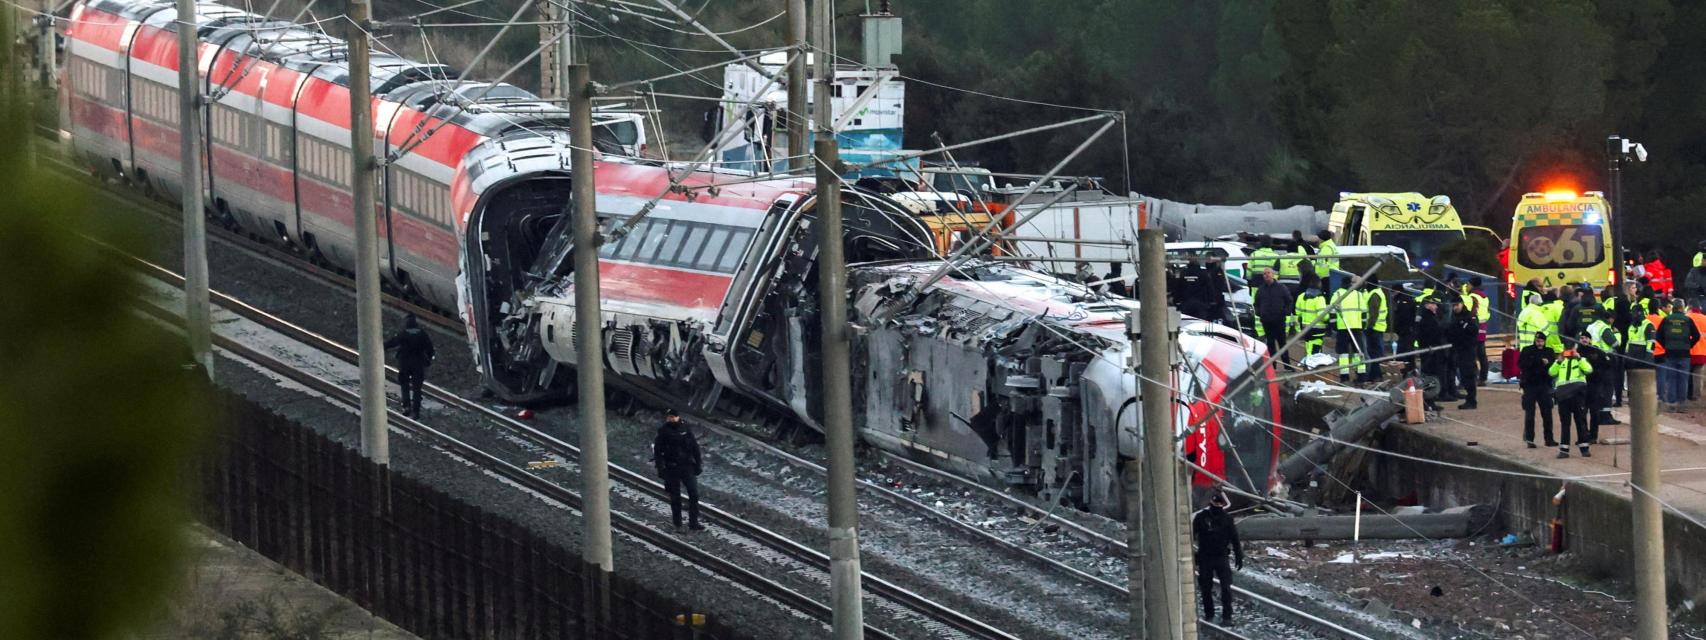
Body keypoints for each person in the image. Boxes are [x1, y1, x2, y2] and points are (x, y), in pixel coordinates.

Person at [1193, 492, 1244, 625]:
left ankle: (1227, 617)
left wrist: (1239, 556)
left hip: (1221, 557)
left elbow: (1234, 538)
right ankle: (1209, 614)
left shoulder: (1227, 519)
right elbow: (1191, 536)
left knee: (1226, 588)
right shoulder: (1201, 518)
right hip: (1205, 557)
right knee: (1206, 588)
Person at [652, 409, 705, 530]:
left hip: (687, 466)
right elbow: (658, 452)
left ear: (678, 417)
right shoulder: (663, 431)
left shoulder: (685, 429)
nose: (670, 419)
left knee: (694, 494)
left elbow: (694, 447)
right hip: (671, 467)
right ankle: (678, 524)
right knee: (675, 498)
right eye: (668, 417)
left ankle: (693, 522)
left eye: (672, 417)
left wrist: (698, 464)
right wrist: (661, 469)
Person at [384, 314, 435, 418]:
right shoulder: (422, 334)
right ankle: (416, 411)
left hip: (405, 363)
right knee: (417, 388)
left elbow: (393, 342)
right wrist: (429, 359)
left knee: (405, 385)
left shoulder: (403, 334)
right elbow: (430, 349)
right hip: (418, 364)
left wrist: (383, 346)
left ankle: (406, 406)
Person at [1580, 315, 1620, 436]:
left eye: (1585, 338)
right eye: (1582, 338)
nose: (1584, 340)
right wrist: (1617, 334)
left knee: (1590, 410)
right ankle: (1587, 433)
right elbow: (1615, 343)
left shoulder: (1591, 326)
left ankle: (1590, 435)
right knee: (1586, 411)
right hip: (1589, 381)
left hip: (1592, 382)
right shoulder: (1604, 327)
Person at [1550, 347, 1594, 459]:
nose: (1569, 353)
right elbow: (1551, 372)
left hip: (1577, 395)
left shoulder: (1580, 360)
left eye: (1571, 351)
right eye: (1567, 351)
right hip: (1563, 396)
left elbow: (1589, 370)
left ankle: (1584, 449)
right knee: (1565, 423)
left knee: (1580, 422)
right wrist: (1558, 362)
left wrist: (1579, 359)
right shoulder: (1560, 362)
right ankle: (1564, 450)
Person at [1519, 333, 1557, 448]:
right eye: (1537, 340)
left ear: (1544, 341)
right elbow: (1521, 364)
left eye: (1541, 341)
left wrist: (1547, 363)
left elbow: (1553, 368)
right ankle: (1530, 439)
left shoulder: (1549, 351)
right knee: (1529, 414)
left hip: (1544, 386)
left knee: (1547, 414)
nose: (1539, 342)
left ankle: (1549, 439)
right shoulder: (1527, 350)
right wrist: (1538, 361)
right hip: (1530, 385)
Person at [1253, 268, 1294, 365]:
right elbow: (1256, 303)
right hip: (1266, 320)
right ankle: (1272, 364)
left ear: (1273, 274)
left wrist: (1285, 312)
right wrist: (1260, 313)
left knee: (1282, 343)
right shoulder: (1261, 289)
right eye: (1264, 274)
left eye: (1268, 273)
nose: (1266, 275)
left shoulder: (1281, 288)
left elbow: (1289, 301)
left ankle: (1287, 365)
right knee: (1270, 343)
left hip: (1279, 320)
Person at [1333, 280, 1370, 383]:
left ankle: (1344, 377)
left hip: (1342, 328)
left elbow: (1332, 311)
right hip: (1357, 327)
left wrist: (1334, 326)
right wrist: (1363, 325)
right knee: (1358, 352)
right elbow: (1364, 312)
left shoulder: (1337, 294)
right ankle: (1361, 376)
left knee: (1343, 354)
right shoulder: (1358, 295)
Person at [1416, 298, 1450, 409]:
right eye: (1433, 304)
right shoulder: (1428, 319)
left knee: (1431, 375)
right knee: (1431, 377)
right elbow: (1432, 334)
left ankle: (1431, 401)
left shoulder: (1428, 317)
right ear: (1427, 305)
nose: (1436, 306)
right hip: (1431, 351)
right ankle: (1430, 401)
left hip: (1431, 350)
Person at [1448, 297, 1480, 409]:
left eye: (1456, 305)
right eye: (1453, 305)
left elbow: (1474, 330)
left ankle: (1471, 400)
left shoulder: (1469, 316)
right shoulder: (1454, 317)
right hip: (1459, 349)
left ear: (1461, 304)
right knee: (1464, 375)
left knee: (1469, 375)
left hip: (1468, 350)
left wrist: (1463, 325)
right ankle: (1469, 399)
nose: (1455, 307)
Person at [1293, 275, 1330, 357]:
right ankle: (1312, 366)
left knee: (1308, 347)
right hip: (1317, 328)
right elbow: (1322, 315)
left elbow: (1298, 313)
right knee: (1315, 349)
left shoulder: (1301, 296)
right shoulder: (1319, 298)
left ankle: (1308, 364)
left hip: (1305, 327)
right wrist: (1328, 318)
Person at [1361, 276, 1388, 383]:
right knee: (1375, 353)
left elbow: (1373, 314)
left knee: (1374, 354)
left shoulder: (1374, 295)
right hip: (1378, 327)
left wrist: (1369, 326)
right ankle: (1375, 375)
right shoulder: (1377, 293)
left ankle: (1375, 376)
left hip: (1374, 328)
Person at [1465, 277, 1491, 386]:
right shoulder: (1484, 297)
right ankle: (1483, 377)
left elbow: (1469, 312)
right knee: (1482, 354)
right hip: (1483, 326)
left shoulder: (1472, 297)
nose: (1467, 286)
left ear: (1472, 285)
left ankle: (1474, 376)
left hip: (1474, 326)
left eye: (1468, 284)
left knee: (1472, 353)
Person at [1315, 229, 1340, 294]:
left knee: (1324, 295)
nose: (1318, 240)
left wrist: (1318, 276)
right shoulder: (1332, 246)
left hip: (1325, 276)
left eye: (1319, 238)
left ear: (1322, 239)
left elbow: (1321, 264)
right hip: (1332, 274)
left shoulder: (1326, 249)